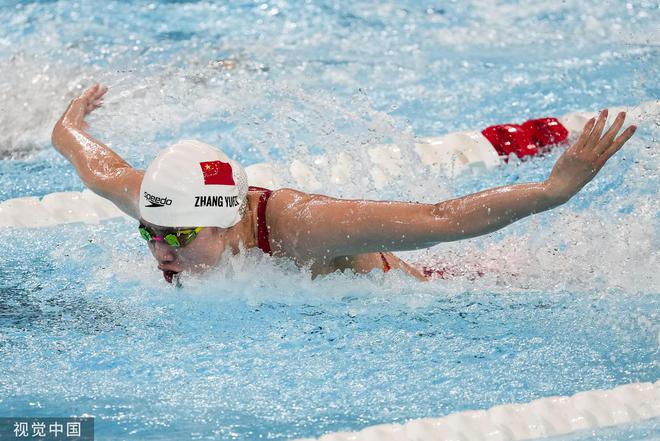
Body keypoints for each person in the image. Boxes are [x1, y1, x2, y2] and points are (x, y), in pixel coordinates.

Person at [51, 84, 637, 284]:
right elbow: (93, 165)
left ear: (227, 220)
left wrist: (550, 193)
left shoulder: (299, 227)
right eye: (150, 234)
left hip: (423, 289)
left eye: (177, 239)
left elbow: (438, 220)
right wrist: (72, 121)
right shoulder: (162, 200)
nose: (160, 251)